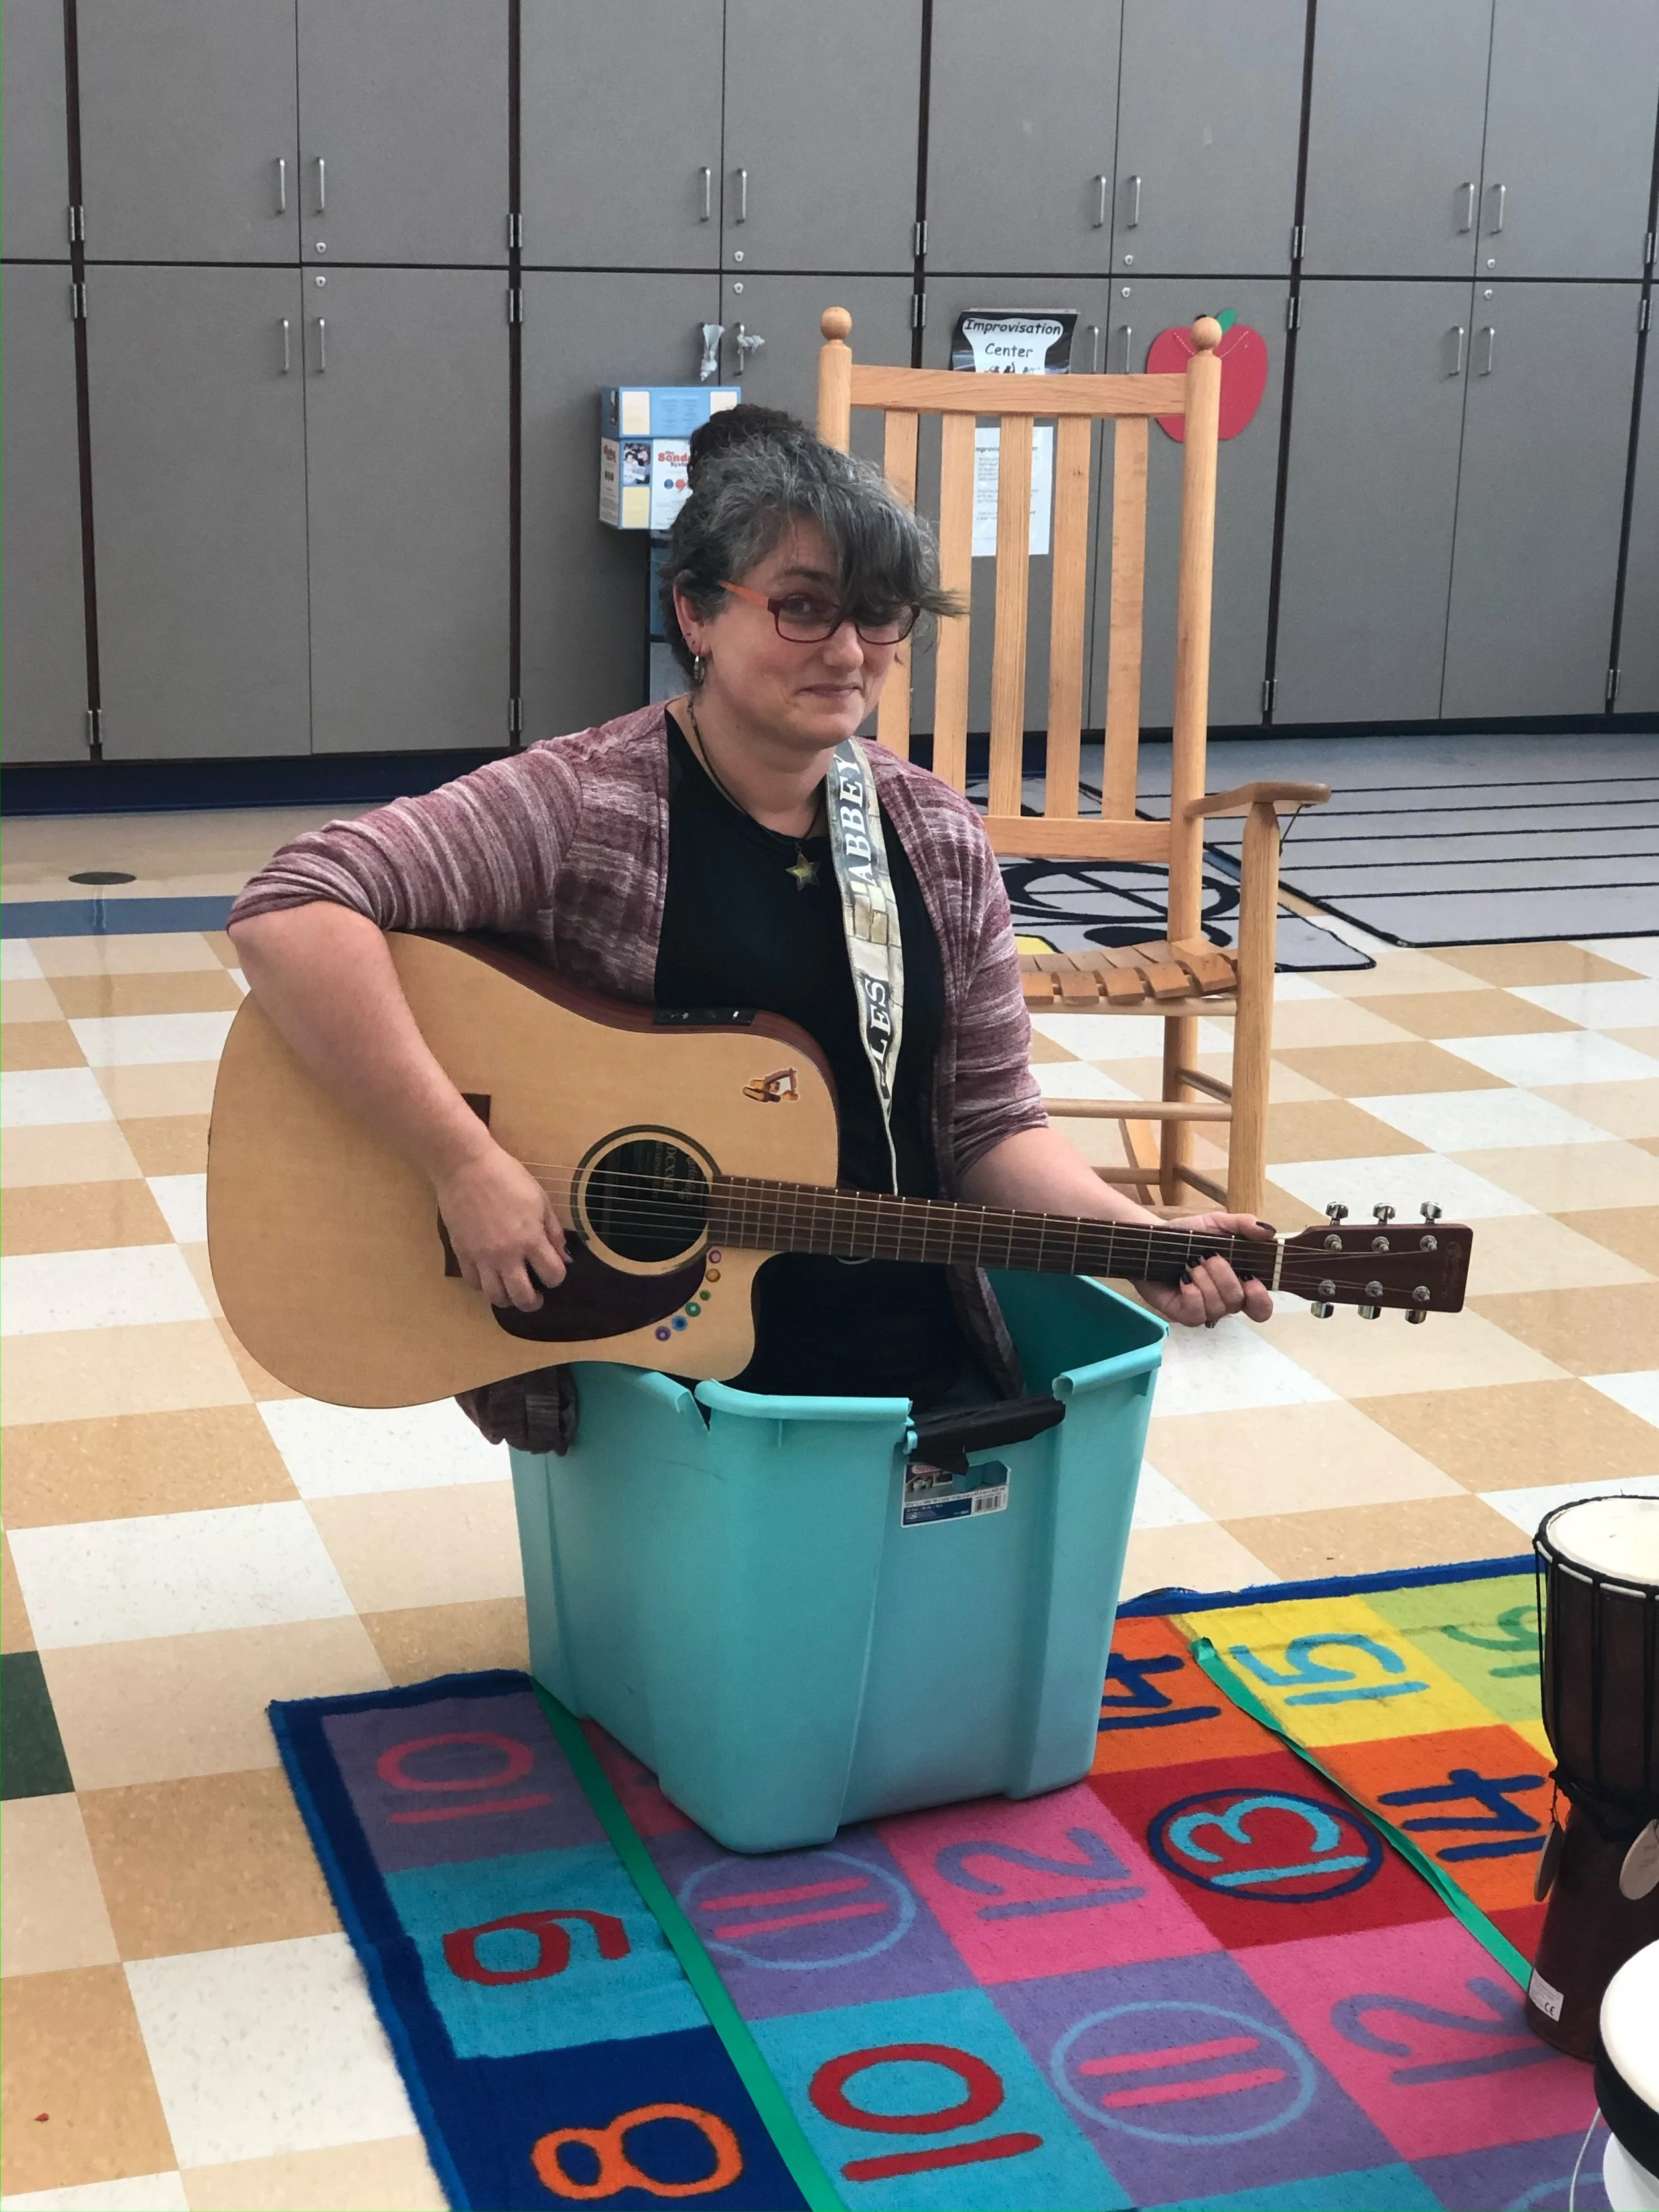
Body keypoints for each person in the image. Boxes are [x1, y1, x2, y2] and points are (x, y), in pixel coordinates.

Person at [228, 405, 1271, 1449]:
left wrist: (1137, 1239)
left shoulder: (938, 840)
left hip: (906, 1348)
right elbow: (293, 909)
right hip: (653, 1375)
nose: (850, 654)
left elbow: (991, 1130)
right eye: (804, 608)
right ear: (697, 615)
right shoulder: (590, 803)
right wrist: (461, 1160)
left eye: (879, 614)